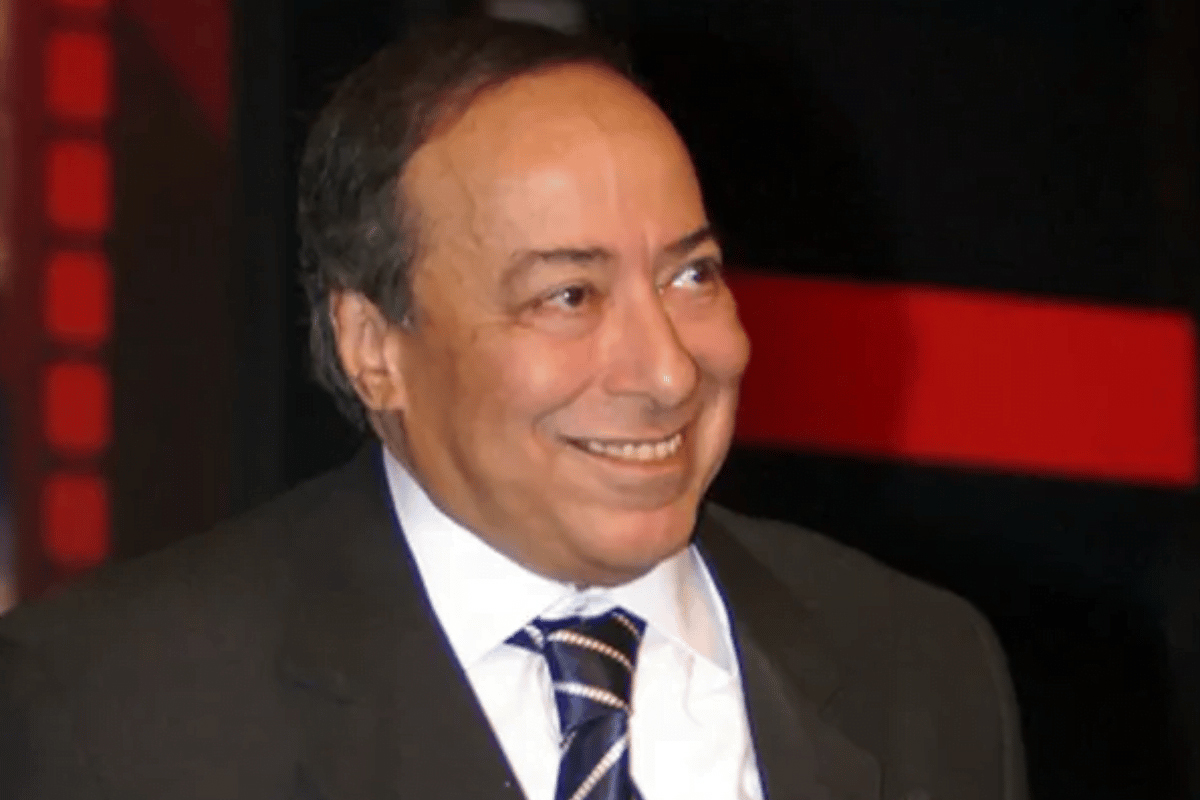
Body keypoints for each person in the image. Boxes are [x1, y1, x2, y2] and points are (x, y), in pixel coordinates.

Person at [0, 17, 1027, 800]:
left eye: (692, 276)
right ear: (374, 347)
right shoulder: (114, 711)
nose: (668, 371)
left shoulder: (919, 667)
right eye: (568, 295)